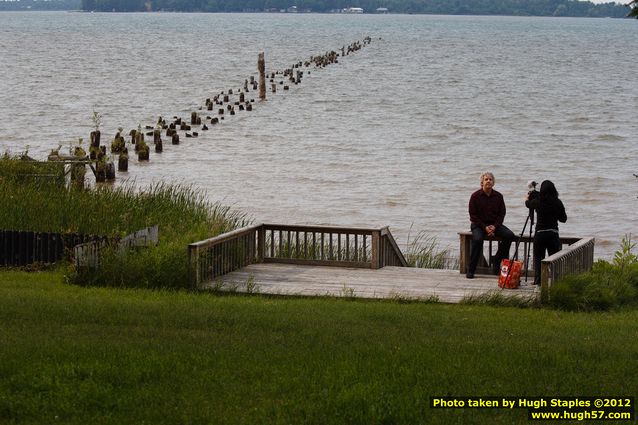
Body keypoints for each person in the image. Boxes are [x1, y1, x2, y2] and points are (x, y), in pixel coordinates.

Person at [467, 171, 516, 279]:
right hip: (478, 225)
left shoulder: (499, 196)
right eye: (486, 179)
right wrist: (484, 227)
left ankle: (496, 260)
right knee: (478, 240)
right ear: (482, 183)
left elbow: (501, 214)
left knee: (509, 235)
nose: (488, 181)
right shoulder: (475, 196)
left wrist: (495, 226)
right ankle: (471, 270)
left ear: (493, 182)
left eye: (490, 179)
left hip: (494, 225)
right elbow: (473, 215)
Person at [525, 180, 567, 286]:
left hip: (540, 234)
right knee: (554, 259)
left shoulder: (538, 201)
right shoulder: (558, 202)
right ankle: (555, 282)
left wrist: (527, 197)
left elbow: (528, 204)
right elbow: (563, 219)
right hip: (553, 234)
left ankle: (538, 281)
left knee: (538, 258)